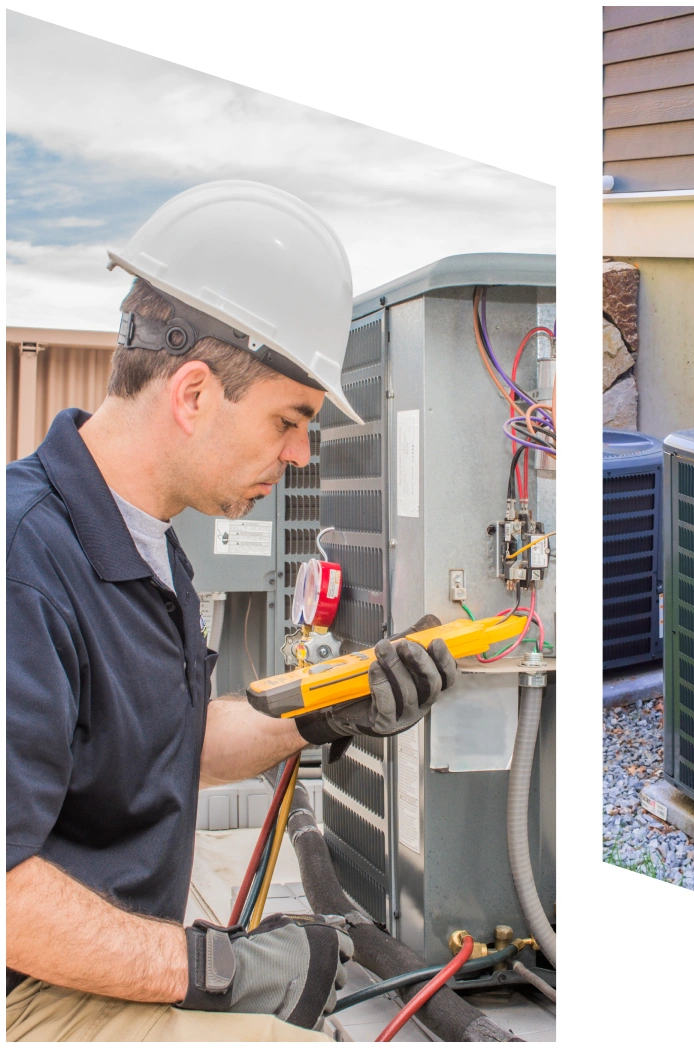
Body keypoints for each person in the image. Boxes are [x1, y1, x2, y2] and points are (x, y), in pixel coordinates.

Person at [6, 182, 457, 1041]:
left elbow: (170, 746)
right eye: (290, 420)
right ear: (194, 393)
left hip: (103, 962)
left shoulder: (148, 542)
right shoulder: (22, 562)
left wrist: (334, 706)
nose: (298, 455)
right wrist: (219, 967)